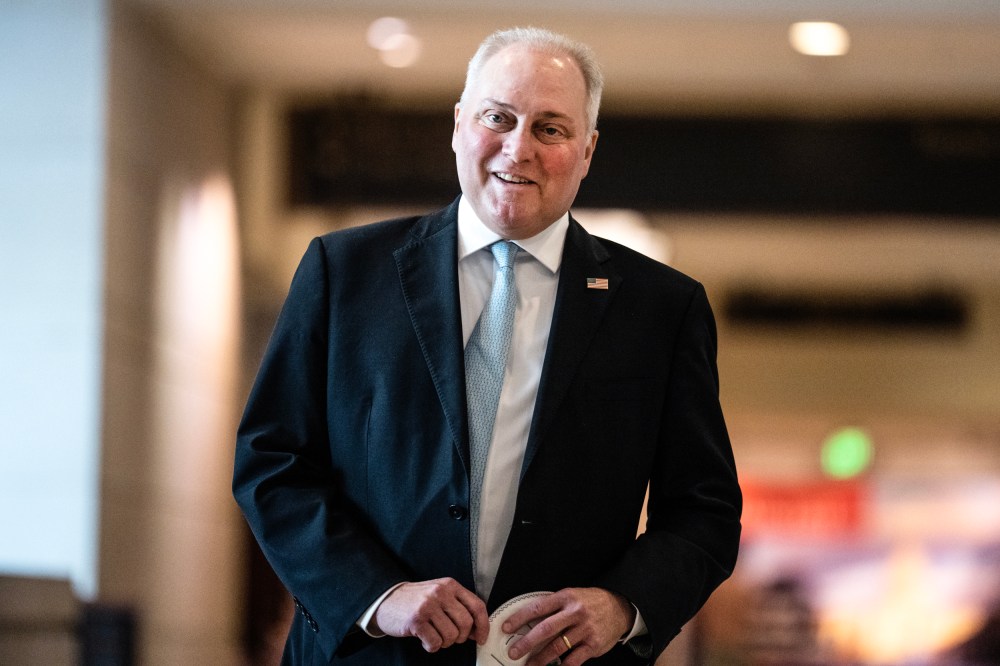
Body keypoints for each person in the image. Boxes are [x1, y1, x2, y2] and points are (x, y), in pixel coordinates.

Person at [233, 26, 741, 666]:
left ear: (587, 150)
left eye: (551, 129)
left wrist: (621, 604)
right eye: (497, 118)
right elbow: (272, 462)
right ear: (458, 125)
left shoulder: (661, 309)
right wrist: (376, 595)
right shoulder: (345, 273)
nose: (517, 148)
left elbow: (704, 510)